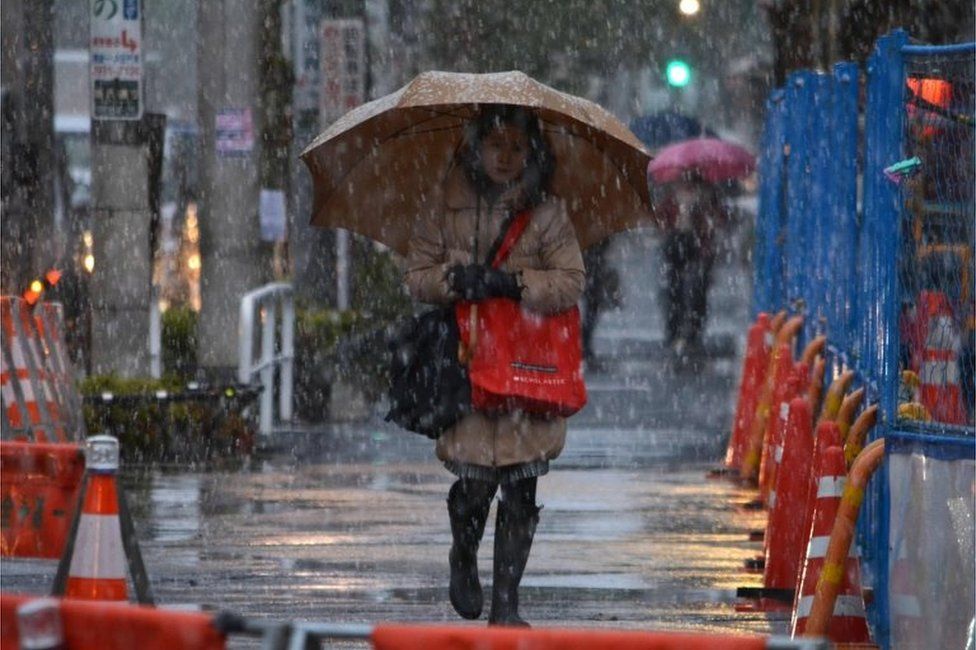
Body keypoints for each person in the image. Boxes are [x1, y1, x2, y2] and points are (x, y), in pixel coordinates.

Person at [404, 105, 584, 626]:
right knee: (477, 481)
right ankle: (463, 553)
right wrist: (457, 281)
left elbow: (570, 281)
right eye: (496, 145)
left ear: (532, 154)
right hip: (468, 361)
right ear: (476, 148)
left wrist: (513, 284)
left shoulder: (548, 214)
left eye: (516, 147)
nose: (505, 158)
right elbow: (417, 275)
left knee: (523, 483)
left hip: (529, 365)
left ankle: (507, 605)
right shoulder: (446, 204)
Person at [658, 174, 728, 354]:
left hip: (699, 244)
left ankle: (693, 332)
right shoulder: (672, 193)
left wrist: (705, 214)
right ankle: (674, 330)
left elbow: (720, 217)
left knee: (698, 289)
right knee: (674, 288)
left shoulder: (708, 193)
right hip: (676, 241)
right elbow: (662, 216)